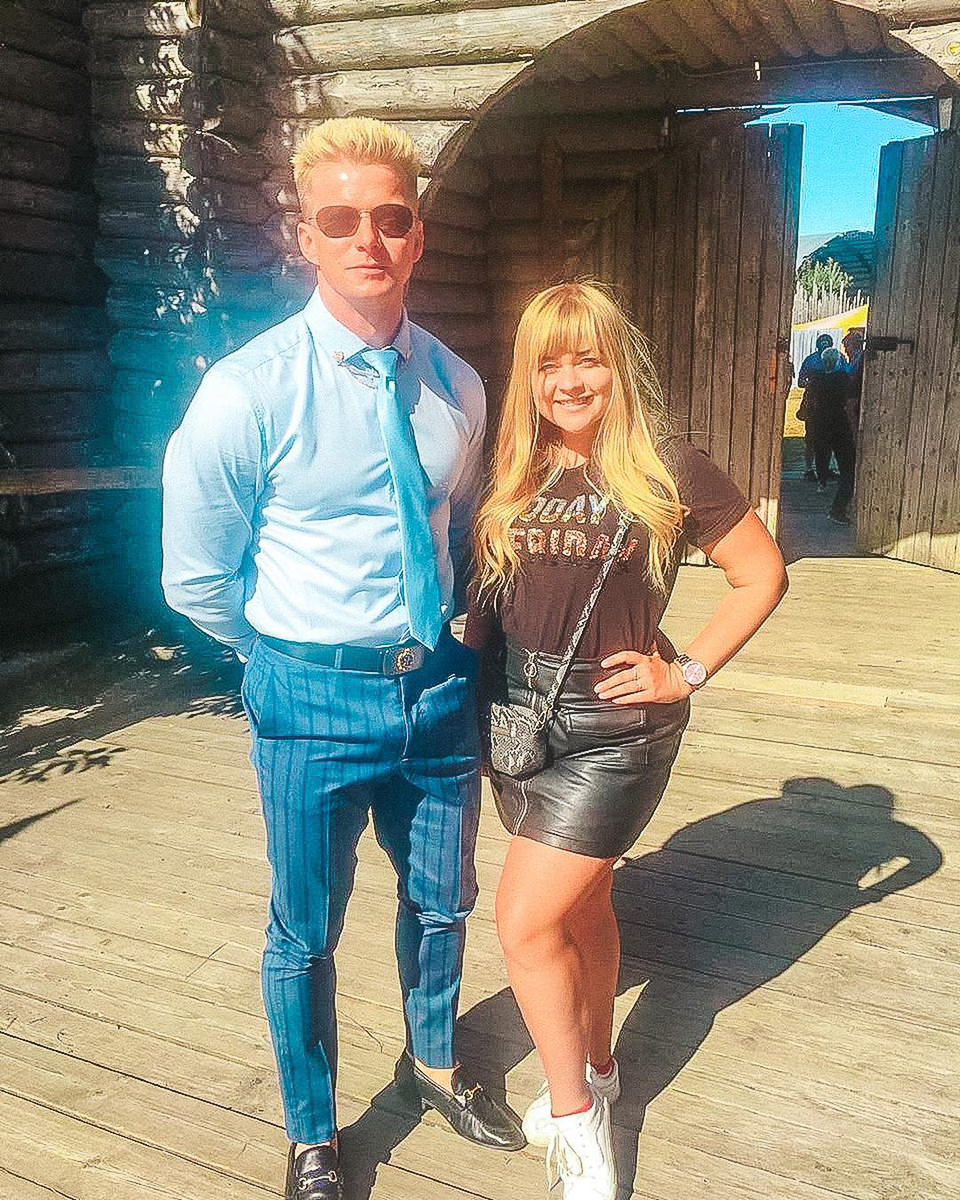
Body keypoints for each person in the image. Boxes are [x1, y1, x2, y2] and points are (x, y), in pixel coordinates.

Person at [161, 117, 524, 1200]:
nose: (369, 238)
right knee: (305, 931)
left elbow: (457, 525)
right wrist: (283, 659)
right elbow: (196, 576)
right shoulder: (248, 391)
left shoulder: (457, 386)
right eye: (341, 218)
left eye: (391, 218)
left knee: (443, 900)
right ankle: (313, 1132)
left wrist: (455, 635)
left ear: (420, 235)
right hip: (308, 695)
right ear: (306, 235)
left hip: (439, 688)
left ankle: (433, 1062)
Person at [465, 282, 788, 1200]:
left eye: (588, 359)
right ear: (528, 375)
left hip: (614, 730)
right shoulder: (510, 469)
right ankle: (602, 1070)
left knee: (525, 923)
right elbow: (488, 597)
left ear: (620, 366)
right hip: (516, 721)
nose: (569, 381)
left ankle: (579, 1126)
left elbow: (761, 572)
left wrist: (687, 671)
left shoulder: (669, 468)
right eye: (549, 363)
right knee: (584, 908)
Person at [806, 346, 857, 524]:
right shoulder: (842, 378)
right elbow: (849, 400)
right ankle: (838, 508)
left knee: (822, 454)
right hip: (839, 425)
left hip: (821, 422)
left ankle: (822, 480)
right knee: (849, 469)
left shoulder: (817, 380)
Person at [796, 333, 834, 482]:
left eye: (826, 343)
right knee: (811, 438)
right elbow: (800, 382)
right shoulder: (810, 360)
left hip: (831, 404)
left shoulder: (838, 358)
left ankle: (825, 468)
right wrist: (812, 383)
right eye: (822, 343)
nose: (824, 346)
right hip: (813, 404)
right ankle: (809, 469)